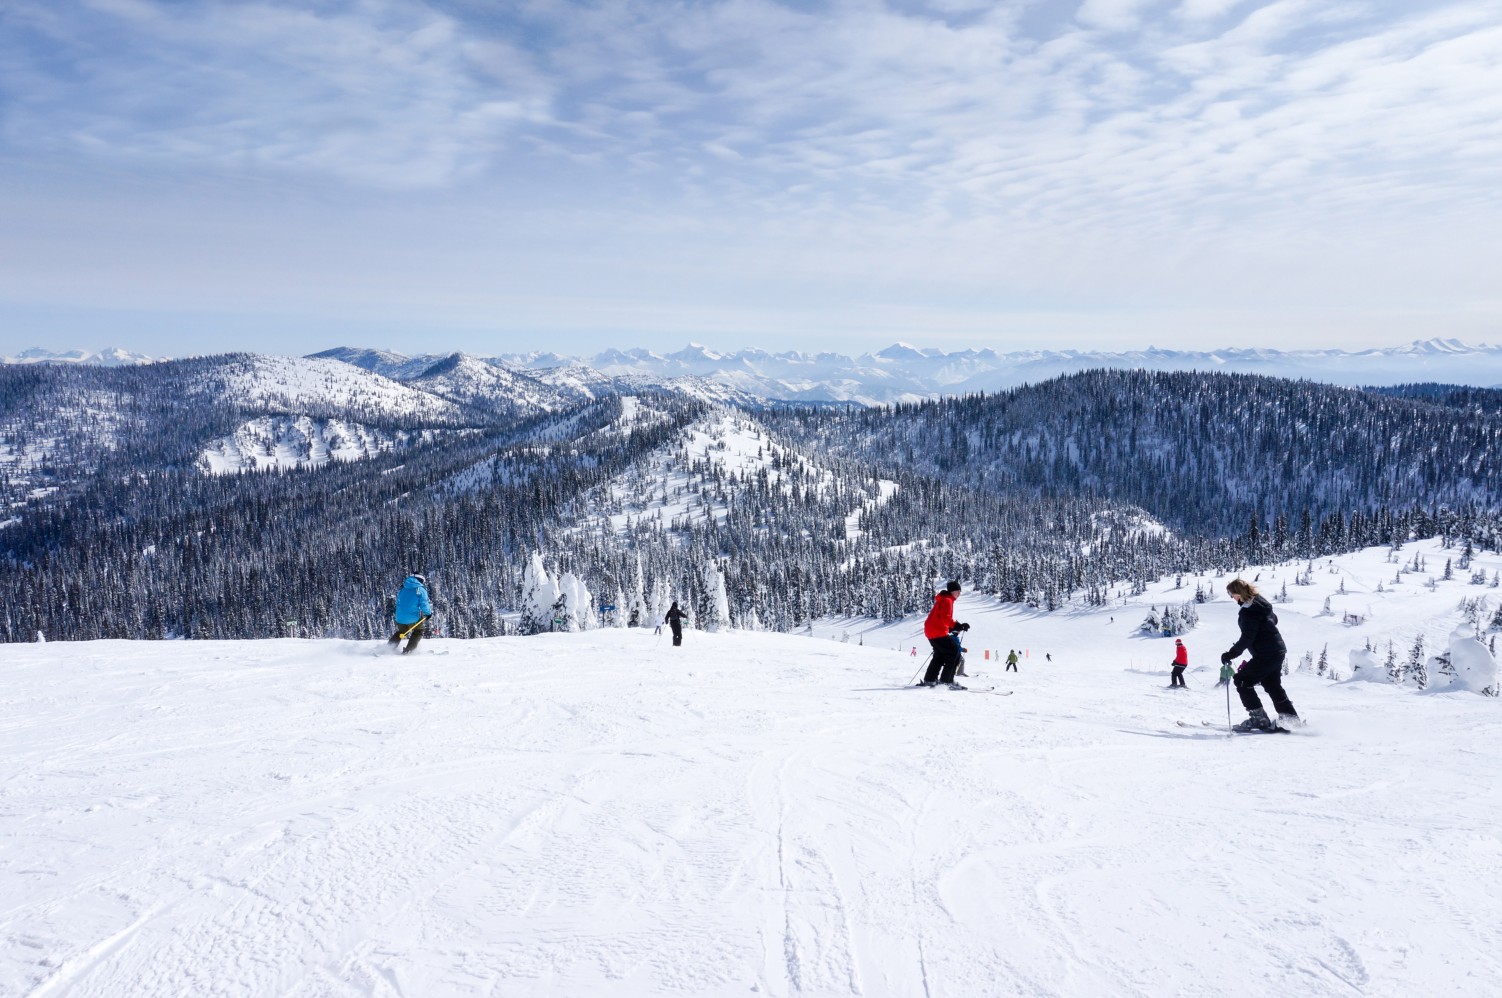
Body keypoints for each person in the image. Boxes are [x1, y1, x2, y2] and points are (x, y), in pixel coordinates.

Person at [1221, 579, 1300, 731]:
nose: (1232, 597)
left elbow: (1247, 638)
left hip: (1266, 654)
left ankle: (1259, 720)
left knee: (1242, 680)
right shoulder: (1260, 603)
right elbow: (1274, 619)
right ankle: (1291, 720)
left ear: (1238, 593)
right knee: (1272, 685)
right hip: (1277, 651)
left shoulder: (1248, 611)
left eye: (1231, 594)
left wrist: (1229, 655)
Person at [920, 581, 969, 689]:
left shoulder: (943, 599)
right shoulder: (947, 600)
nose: (959, 593)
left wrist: (952, 627)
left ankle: (930, 679)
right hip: (938, 632)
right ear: (952, 591)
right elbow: (945, 618)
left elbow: (939, 618)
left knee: (940, 655)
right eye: (958, 591)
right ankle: (947, 681)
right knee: (955, 653)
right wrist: (958, 626)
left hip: (931, 631)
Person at [388, 573, 433, 654]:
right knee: (419, 630)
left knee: (401, 632)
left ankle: (388, 648)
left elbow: (398, 603)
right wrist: (428, 613)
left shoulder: (403, 589)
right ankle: (409, 650)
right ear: (420, 580)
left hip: (400, 617)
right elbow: (424, 603)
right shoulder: (420, 589)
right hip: (412, 617)